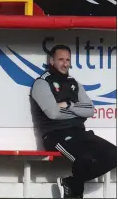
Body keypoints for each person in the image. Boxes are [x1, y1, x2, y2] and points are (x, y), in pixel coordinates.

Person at [30, 45, 117, 198]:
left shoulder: (74, 83)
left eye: (68, 60)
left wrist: (68, 105)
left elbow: (90, 110)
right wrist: (78, 111)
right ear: (52, 61)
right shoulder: (42, 83)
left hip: (80, 133)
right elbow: (53, 113)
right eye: (61, 59)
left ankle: (71, 183)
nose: (65, 63)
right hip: (56, 135)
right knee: (84, 159)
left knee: (114, 154)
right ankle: (74, 191)